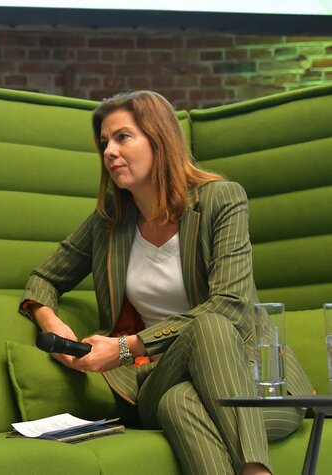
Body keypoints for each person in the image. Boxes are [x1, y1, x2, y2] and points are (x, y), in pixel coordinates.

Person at [19, 90, 314, 475]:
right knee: (184, 370)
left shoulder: (221, 201)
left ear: (160, 139)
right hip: (158, 375)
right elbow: (43, 278)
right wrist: (52, 323)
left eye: (123, 137)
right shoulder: (109, 223)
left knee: (183, 396)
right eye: (104, 142)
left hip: (256, 385)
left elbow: (229, 305)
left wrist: (124, 348)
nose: (109, 151)